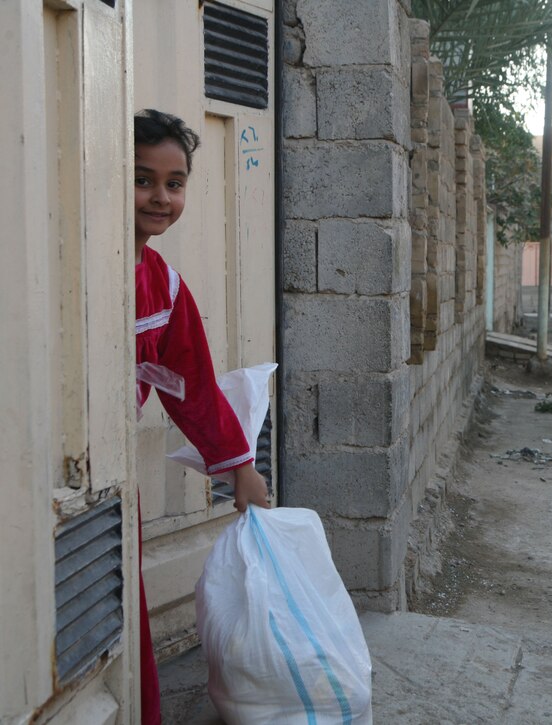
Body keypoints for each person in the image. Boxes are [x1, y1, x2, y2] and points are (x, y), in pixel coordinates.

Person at [133, 109, 270, 724]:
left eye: (175, 182)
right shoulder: (69, 266)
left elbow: (190, 388)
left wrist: (240, 468)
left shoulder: (162, 284)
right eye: (143, 179)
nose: (160, 197)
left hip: (104, 496)